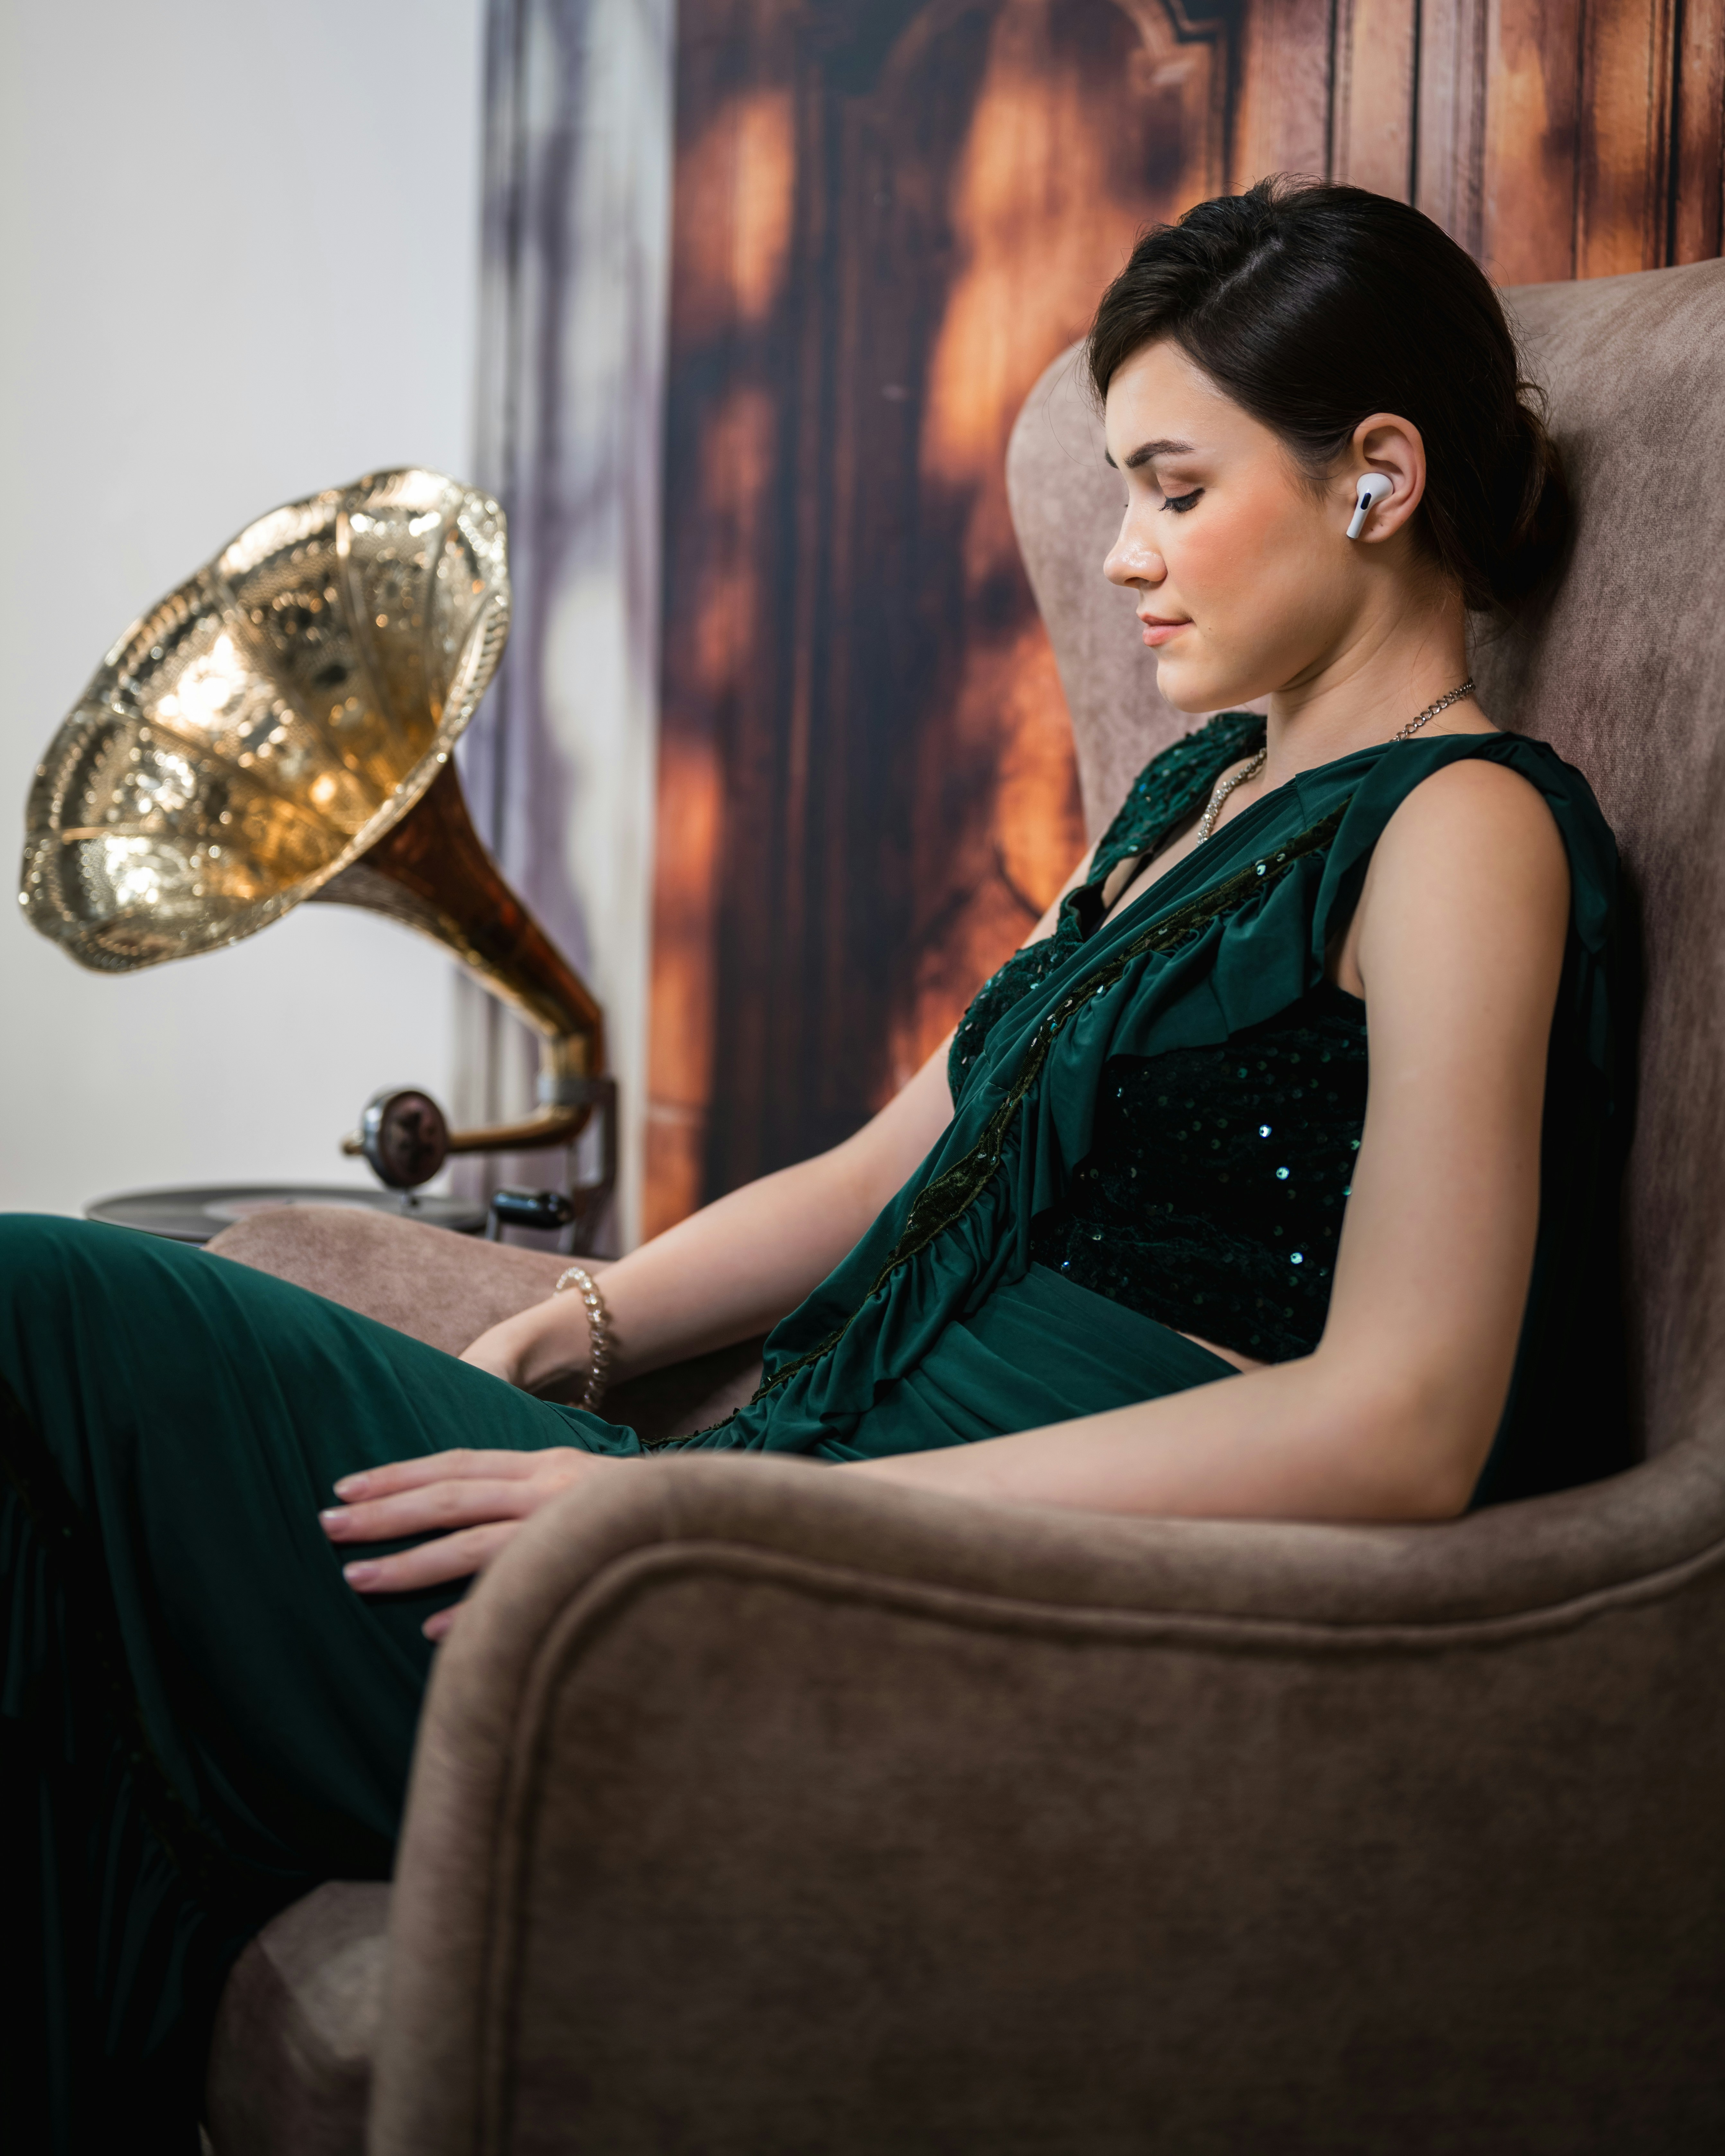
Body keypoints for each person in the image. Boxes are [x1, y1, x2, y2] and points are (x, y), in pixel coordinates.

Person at [0, 176, 1629, 2152]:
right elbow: (883, 1166)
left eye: (1178, 490)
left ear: (1380, 476)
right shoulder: (1200, 799)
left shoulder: (1465, 831)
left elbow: (1406, 1422)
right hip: (755, 1515)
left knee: (45, 1321)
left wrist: (734, 1541)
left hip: (855, 1607)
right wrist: (570, 1325)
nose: (1127, 556)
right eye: (1122, 490)